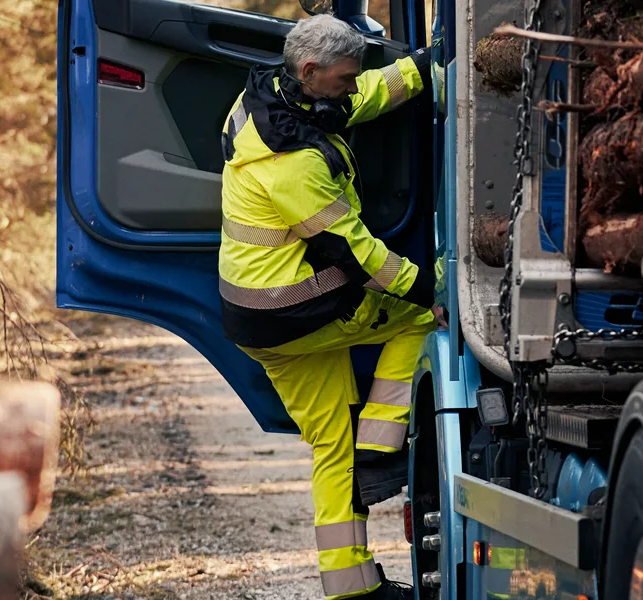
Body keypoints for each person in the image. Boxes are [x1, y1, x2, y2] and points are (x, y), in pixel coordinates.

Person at [215, 13, 433, 600]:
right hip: (293, 309)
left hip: (252, 317)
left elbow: (359, 97)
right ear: (310, 71)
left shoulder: (264, 97)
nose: (350, 85)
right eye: (343, 77)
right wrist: (428, 289)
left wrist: (424, 68)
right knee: (421, 317)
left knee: (331, 443)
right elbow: (357, 253)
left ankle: (352, 588)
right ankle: (380, 450)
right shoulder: (296, 162)